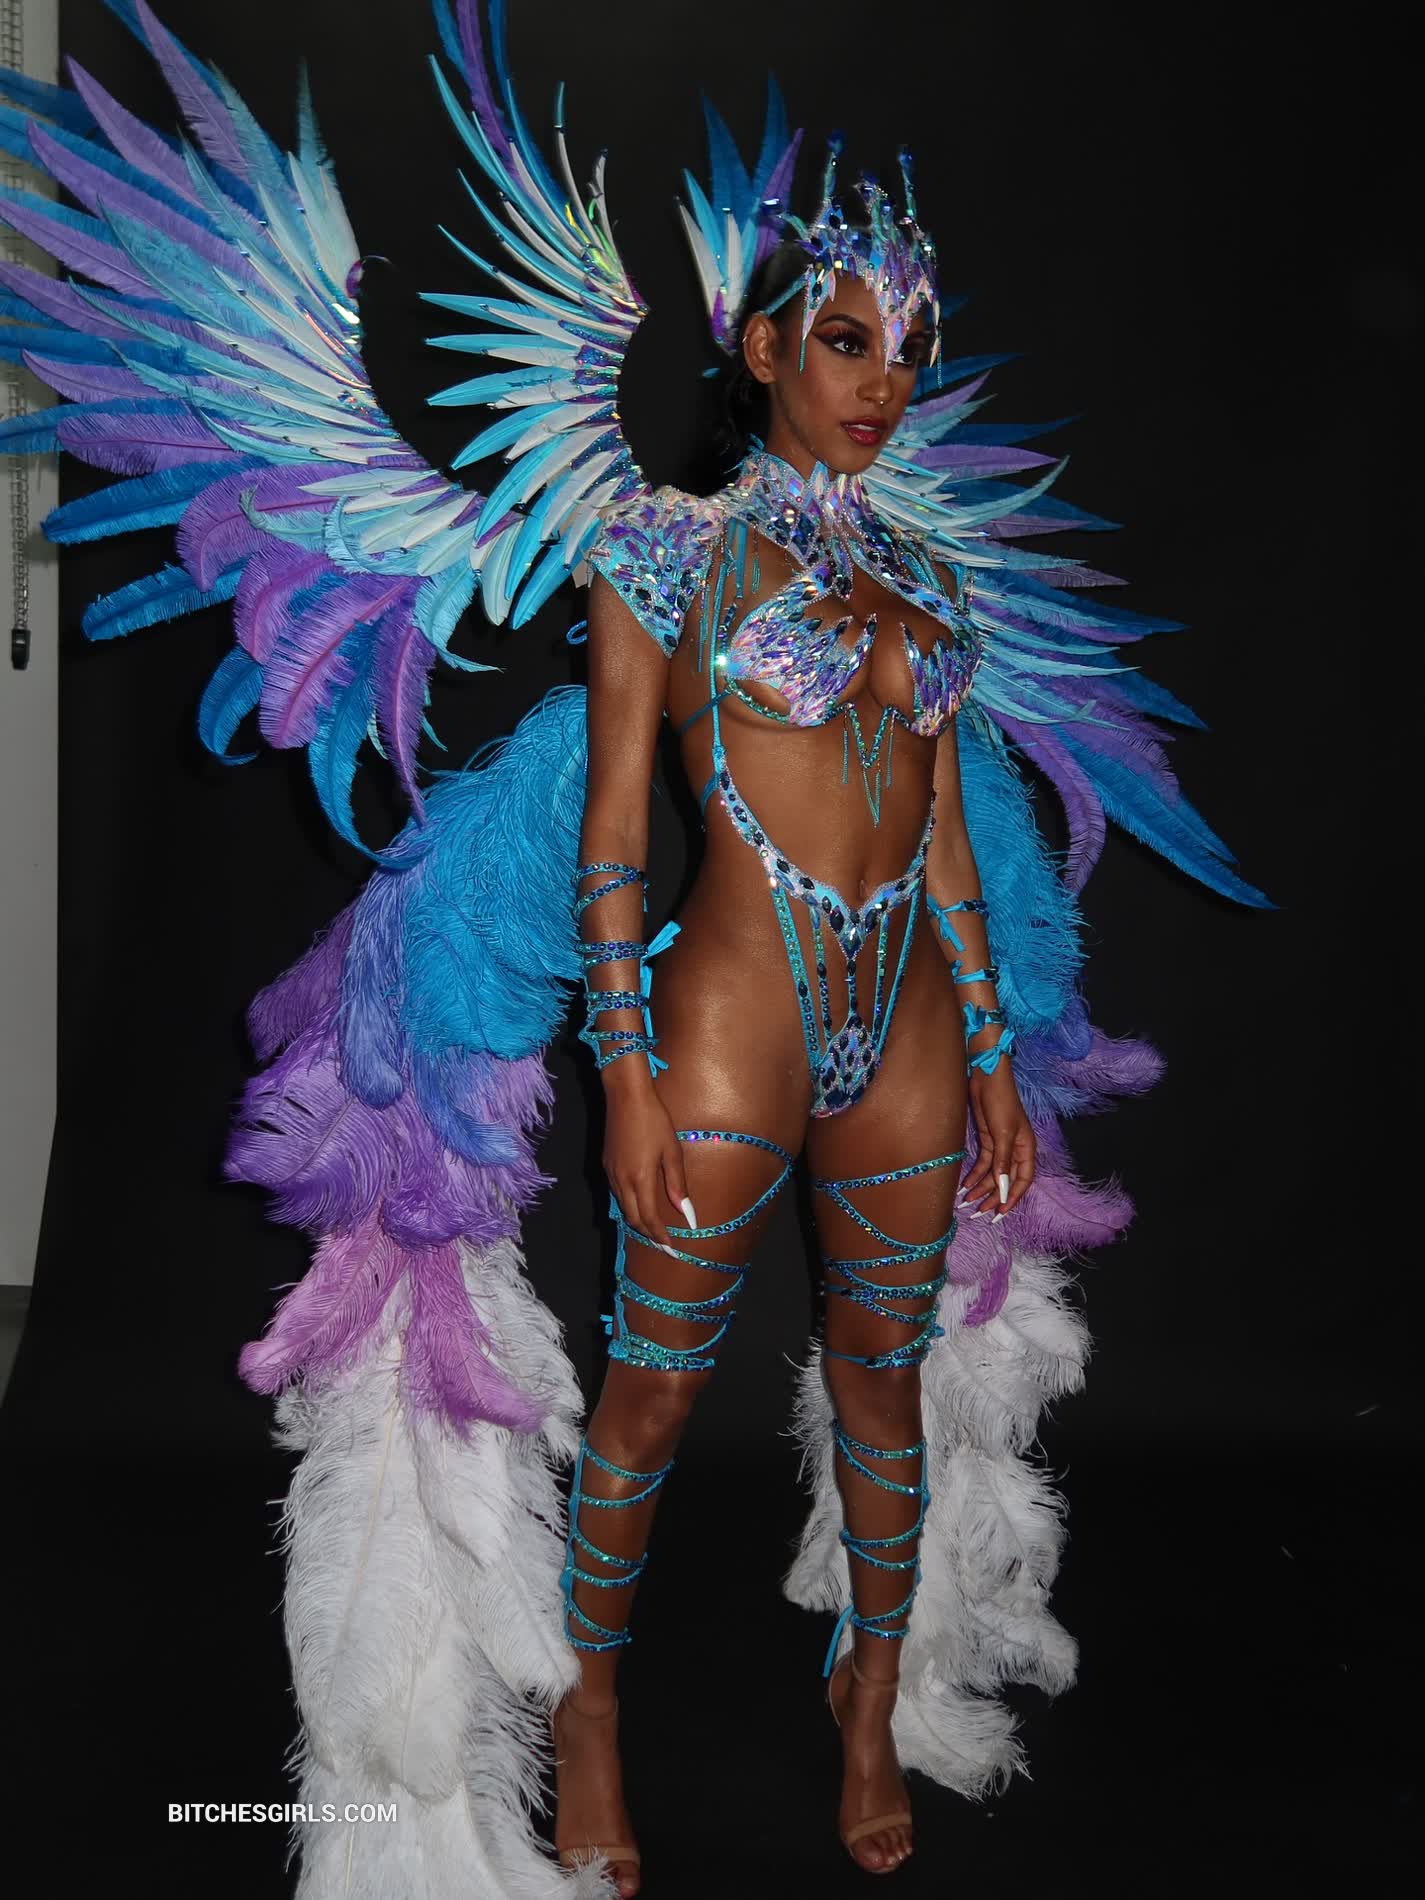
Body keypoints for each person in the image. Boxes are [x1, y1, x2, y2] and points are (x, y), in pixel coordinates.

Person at [0, 6, 1266, 1895]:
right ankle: (587, 1708)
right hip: (729, 1017)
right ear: (761, 351)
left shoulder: (927, 576)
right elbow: (610, 836)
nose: (881, 382)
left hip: (914, 1022)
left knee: (882, 1374)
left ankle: (867, 1701)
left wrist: (1002, 1057)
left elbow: (941, 835)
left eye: (905, 350)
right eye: (845, 340)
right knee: (655, 1390)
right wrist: (623, 1079)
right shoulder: (660, 556)